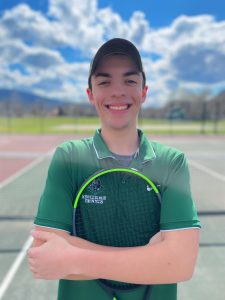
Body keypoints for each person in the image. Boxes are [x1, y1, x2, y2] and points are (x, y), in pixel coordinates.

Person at [28, 38, 201, 300]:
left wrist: (72, 255)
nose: (117, 91)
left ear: (144, 92)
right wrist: (152, 258)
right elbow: (44, 255)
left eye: (130, 81)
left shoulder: (172, 162)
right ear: (91, 94)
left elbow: (180, 264)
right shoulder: (69, 158)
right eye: (104, 82)